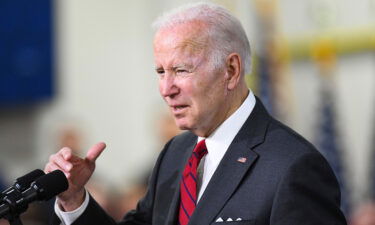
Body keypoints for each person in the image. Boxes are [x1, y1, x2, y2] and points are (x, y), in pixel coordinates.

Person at [44, 2, 347, 225]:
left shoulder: (292, 167)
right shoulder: (175, 154)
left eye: (180, 70)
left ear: (230, 70)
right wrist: (74, 199)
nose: (166, 88)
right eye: (160, 71)